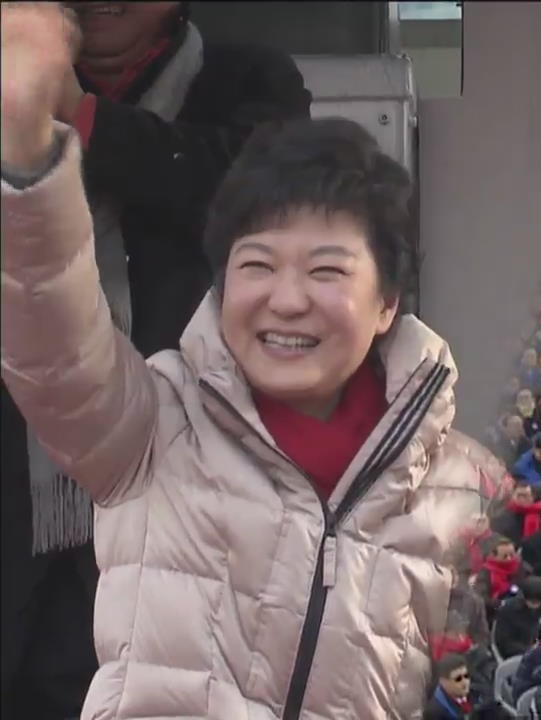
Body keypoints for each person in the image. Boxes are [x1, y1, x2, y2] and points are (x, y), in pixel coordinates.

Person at [1, 8, 518, 718]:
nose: (287, 300)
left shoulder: (469, 495)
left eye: (327, 270)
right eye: (258, 265)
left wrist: (80, 120)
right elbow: (48, 325)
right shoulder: (159, 431)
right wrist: (28, 159)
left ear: (389, 299)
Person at [1, 3, 312, 716]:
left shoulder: (249, 81)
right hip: (21, 476)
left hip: (189, 480)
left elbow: (246, 202)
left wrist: (74, 118)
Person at [493, 577, 541, 660]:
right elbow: (504, 641)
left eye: (538, 602)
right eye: (532, 602)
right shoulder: (509, 610)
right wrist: (529, 650)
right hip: (516, 655)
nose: (534, 606)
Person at [424, 653, 475, 720]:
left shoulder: (475, 694)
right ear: (443, 682)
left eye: (466, 676)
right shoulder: (434, 712)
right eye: (458, 678)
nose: (465, 682)